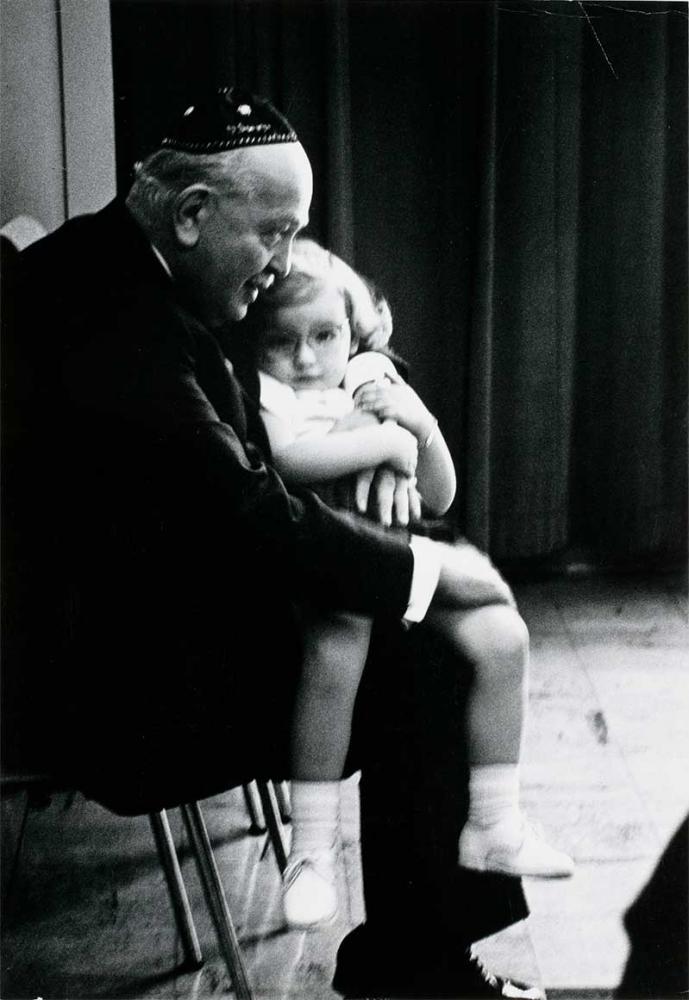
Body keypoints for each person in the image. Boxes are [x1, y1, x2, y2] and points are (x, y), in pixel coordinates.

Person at [4, 86, 544, 998]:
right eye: (274, 233)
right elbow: (248, 515)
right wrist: (422, 572)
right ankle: (415, 976)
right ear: (191, 214)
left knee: (411, 624)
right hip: (120, 693)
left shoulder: (105, 270)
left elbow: (235, 492)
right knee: (441, 658)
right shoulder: (118, 324)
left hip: (144, 618)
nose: (283, 263)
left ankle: (411, 961)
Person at [242, 237, 573, 930]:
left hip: (403, 554)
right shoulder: (266, 396)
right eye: (282, 342)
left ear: (353, 330)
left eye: (325, 336)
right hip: (328, 566)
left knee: (503, 637)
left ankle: (494, 818)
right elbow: (289, 462)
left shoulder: (370, 379)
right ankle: (310, 849)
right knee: (339, 647)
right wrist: (383, 443)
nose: (306, 359)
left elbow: (441, 494)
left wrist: (415, 427)